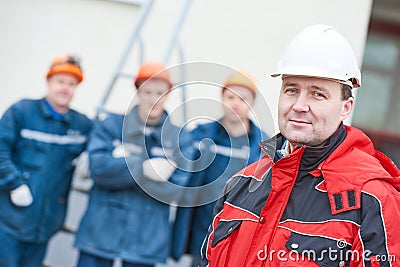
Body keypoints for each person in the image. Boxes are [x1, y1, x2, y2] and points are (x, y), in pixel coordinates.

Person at [200, 24, 400, 267]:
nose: (299, 106)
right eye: (292, 90)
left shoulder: (372, 199)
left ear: (346, 107)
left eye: (318, 94)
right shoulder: (240, 186)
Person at [74, 61, 194, 267]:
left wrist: (121, 166)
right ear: (137, 91)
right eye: (147, 92)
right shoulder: (111, 125)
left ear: (168, 94)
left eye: (160, 93)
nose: (153, 99)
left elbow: (175, 190)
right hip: (101, 230)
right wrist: (142, 168)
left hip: (146, 238)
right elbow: (99, 168)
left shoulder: (180, 138)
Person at [0, 55, 93, 267]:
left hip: (45, 226)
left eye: (71, 84)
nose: (65, 88)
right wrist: (14, 183)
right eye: (60, 81)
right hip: (8, 220)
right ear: (48, 82)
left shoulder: (80, 125)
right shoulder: (22, 112)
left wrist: (126, 121)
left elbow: (103, 137)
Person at [172, 70, 268, 267]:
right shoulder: (200, 135)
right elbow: (170, 144)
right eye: (230, 96)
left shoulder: (265, 147)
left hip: (239, 232)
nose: (235, 103)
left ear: (252, 103)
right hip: (202, 228)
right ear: (222, 98)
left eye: (242, 98)